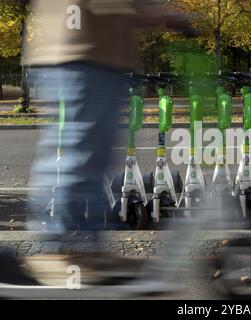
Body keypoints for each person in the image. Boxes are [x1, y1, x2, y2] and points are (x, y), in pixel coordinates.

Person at [0, 0, 194, 292]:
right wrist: (153, 12)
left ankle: (81, 248)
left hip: (95, 51)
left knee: (91, 155)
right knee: (81, 154)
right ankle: (67, 252)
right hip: (82, 50)